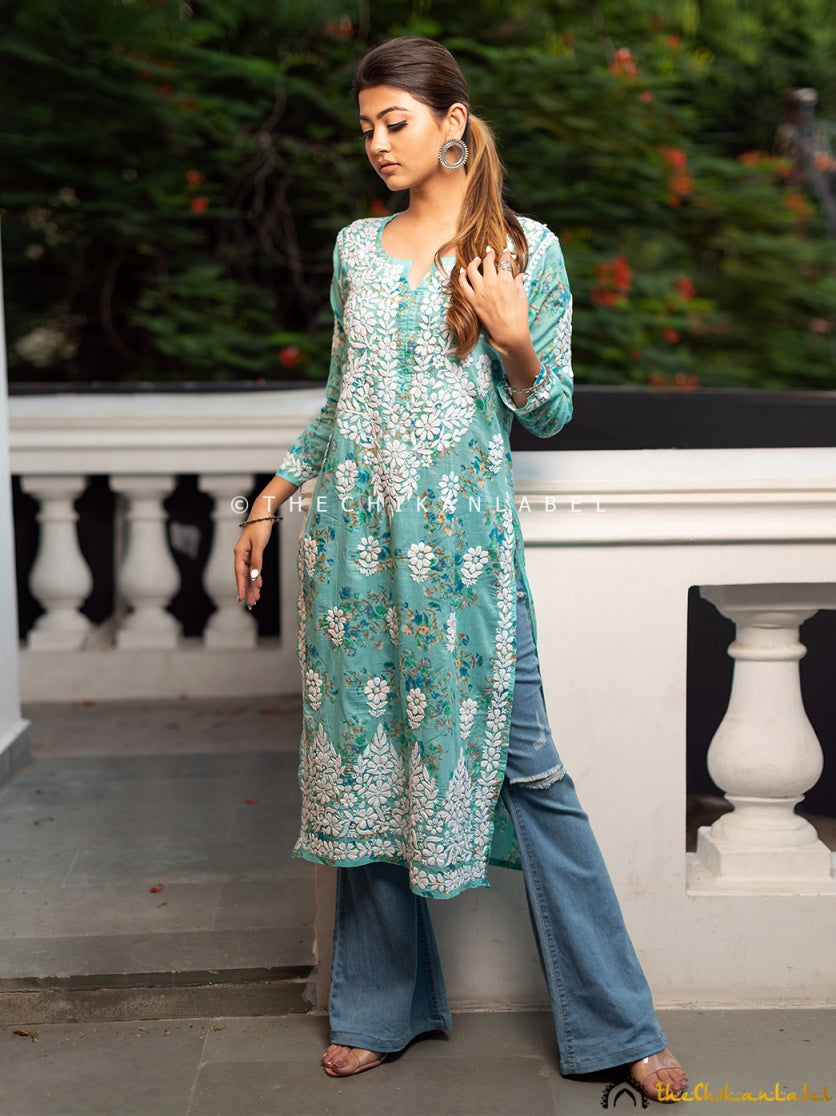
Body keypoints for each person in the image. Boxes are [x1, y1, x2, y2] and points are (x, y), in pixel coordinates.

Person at [234, 36, 687, 1104]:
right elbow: (342, 405)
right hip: (356, 568)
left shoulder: (523, 249)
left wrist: (513, 337)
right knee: (370, 771)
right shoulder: (356, 248)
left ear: (451, 121)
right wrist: (270, 496)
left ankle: (617, 1023)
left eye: (394, 122)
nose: (377, 144)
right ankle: (376, 1012)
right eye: (365, 128)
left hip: (468, 571)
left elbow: (549, 408)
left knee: (533, 778)